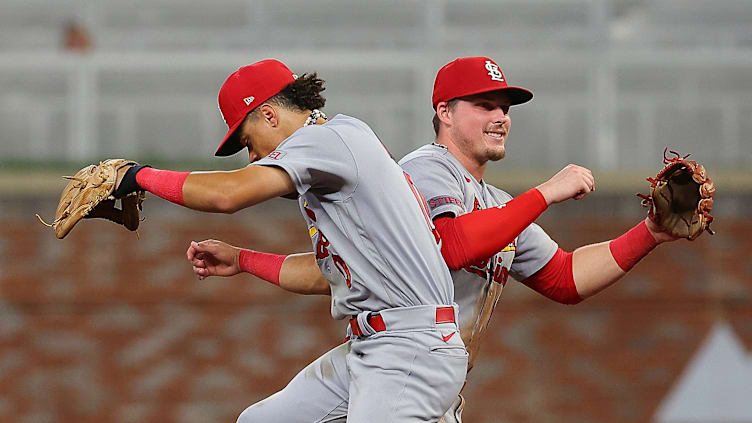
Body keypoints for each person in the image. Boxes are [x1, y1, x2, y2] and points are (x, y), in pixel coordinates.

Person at [187, 56, 677, 422]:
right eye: (484, 105)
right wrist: (545, 193)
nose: (501, 116)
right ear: (444, 111)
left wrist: (650, 233)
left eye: (505, 107)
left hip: (419, 379)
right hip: (397, 361)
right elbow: (452, 245)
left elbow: (566, 278)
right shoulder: (422, 172)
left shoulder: (494, 203)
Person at [113, 59, 468, 422]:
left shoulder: (327, 140)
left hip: (410, 347)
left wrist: (139, 177)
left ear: (269, 115)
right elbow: (327, 276)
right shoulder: (334, 151)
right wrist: (242, 260)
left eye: (248, 142)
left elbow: (228, 194)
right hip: (378, 346)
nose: (252, 156)